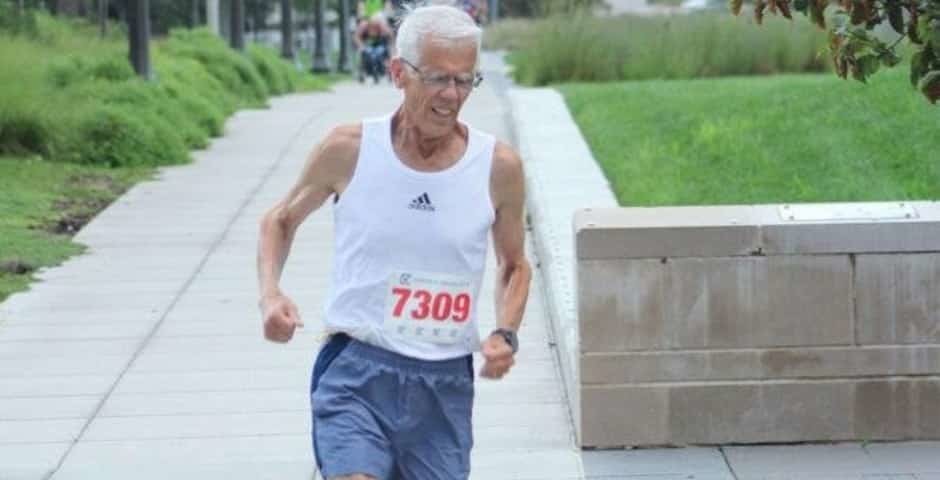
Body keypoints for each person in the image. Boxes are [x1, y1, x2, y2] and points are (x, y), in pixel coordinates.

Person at [256, 4, 531, 480]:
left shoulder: (497, 167)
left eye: (465, 80)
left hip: (444, 383)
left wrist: (505, 332)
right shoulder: (349, 149)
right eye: (438, 79)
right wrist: (270, 294)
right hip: (357, 370)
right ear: (399, 72)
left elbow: (514, 265)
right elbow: (280, 220)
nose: (452, 95)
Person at [354, 14, 394, 83]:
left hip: (380, 45)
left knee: (386, 53)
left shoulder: (381, 26)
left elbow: (390, 35)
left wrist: (389, 44)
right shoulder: (364, 26)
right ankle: (361, 73)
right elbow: (356, 37)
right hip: (367, 45)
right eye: (372, 25)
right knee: (362, 54)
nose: (373, 29)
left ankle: (389, 72)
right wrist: (361, 46)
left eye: (375, 25)